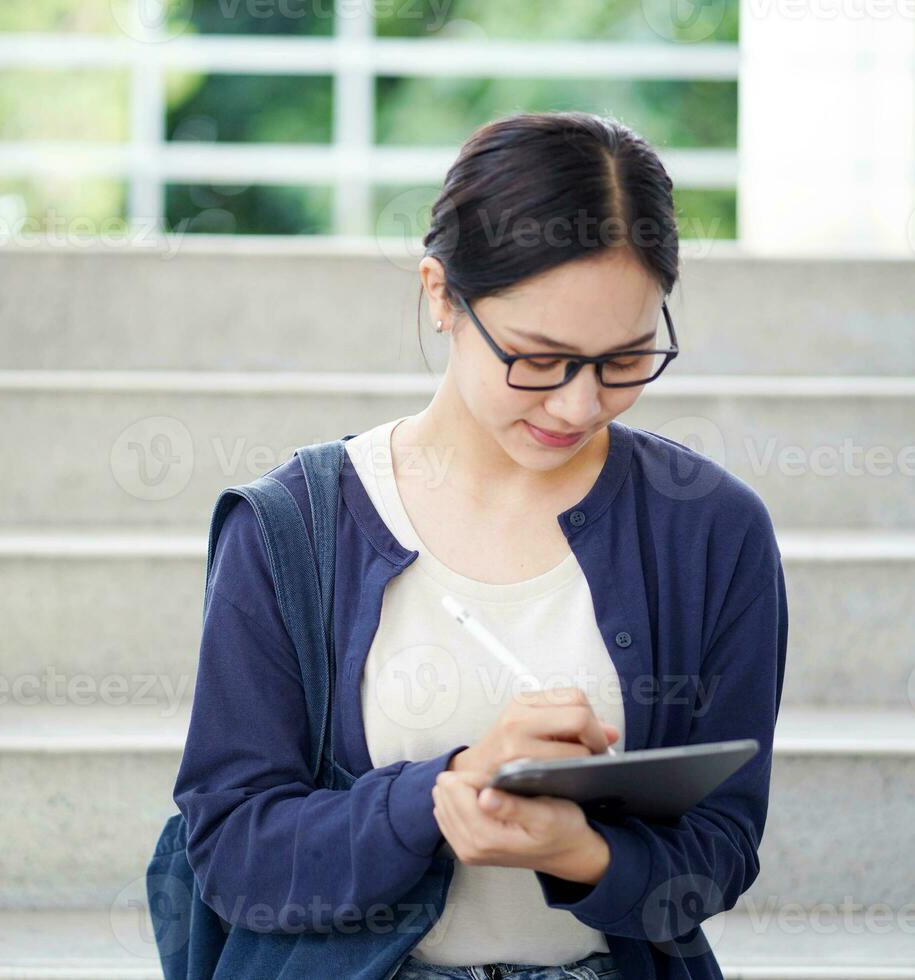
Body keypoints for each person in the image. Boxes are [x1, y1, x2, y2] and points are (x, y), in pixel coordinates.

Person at [172, 110, 787, 980]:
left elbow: (721, 847)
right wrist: (443, 791)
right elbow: (234, 852)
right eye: (539, 358)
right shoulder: (292, 528)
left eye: (625, 360)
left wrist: (583, 855)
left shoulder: (713, 531)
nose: (578, 405)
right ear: (440, 296)